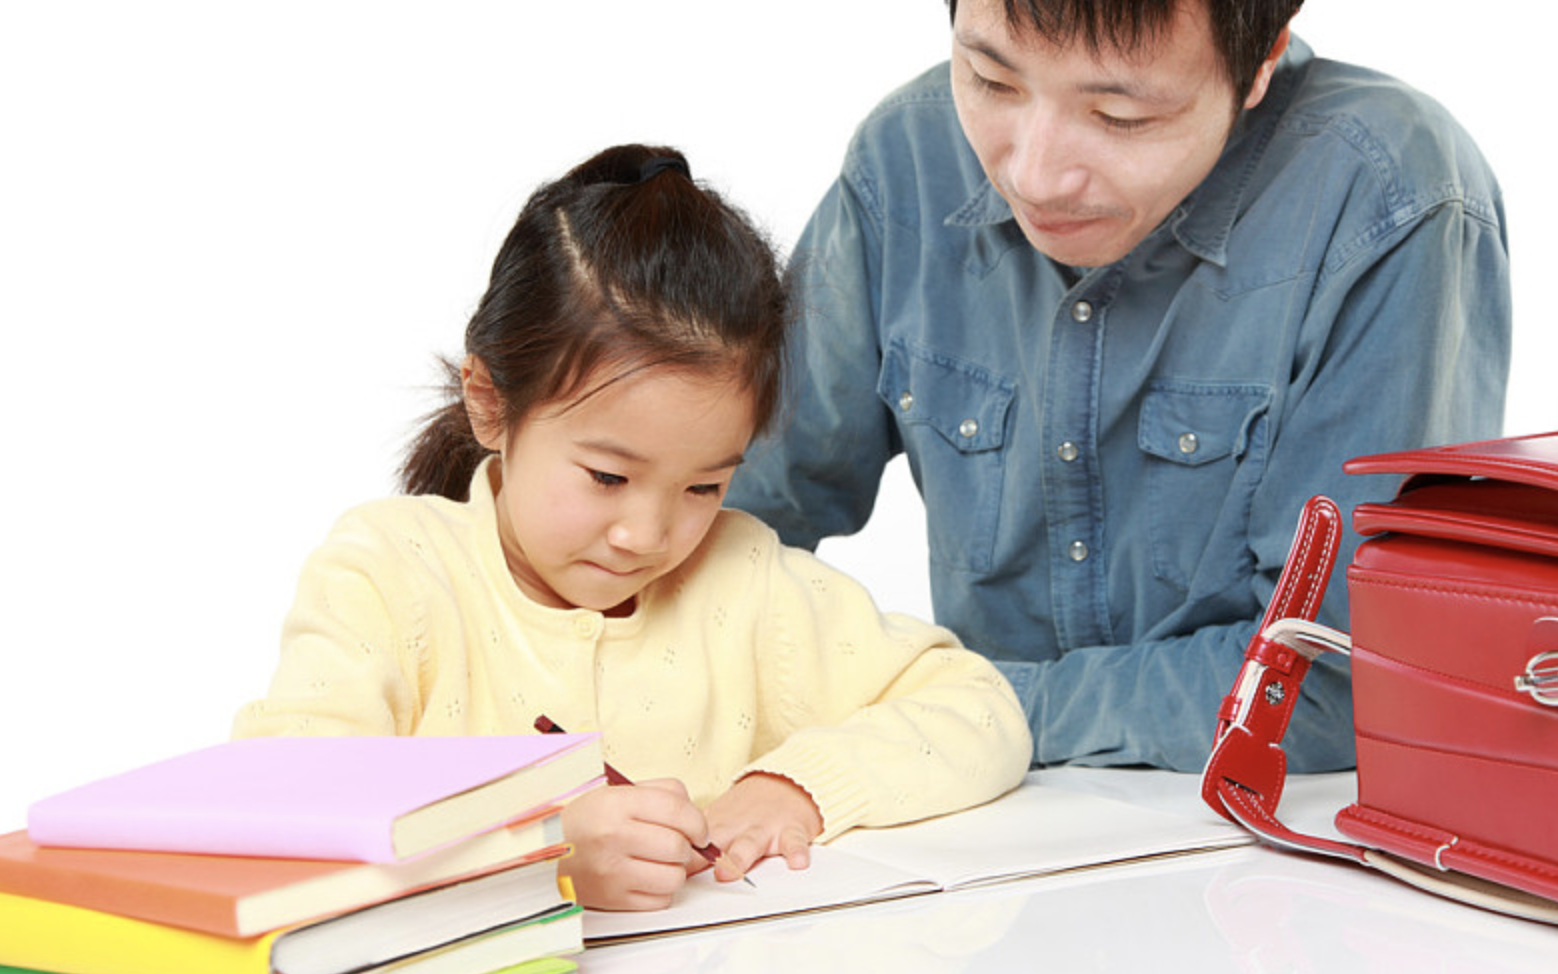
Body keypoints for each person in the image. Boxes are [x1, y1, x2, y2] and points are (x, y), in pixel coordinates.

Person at [232, 144, 1031, 911]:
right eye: (608, 477)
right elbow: (281, 806)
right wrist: (537, 853)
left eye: (704, 485)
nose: (648, 535)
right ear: (490, 403)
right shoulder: (388, 575)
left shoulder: (741, 580)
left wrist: (794, 786)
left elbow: (980, 707)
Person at [725, 0, 1511, 772]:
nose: (1035, 177)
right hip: (969, 812)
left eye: (1121, 116)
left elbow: (1339, 676)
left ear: (1262, 57)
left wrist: (966, 711)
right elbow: (729, 516)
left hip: (1242, 837)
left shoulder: (1388, 193)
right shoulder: (906, 153)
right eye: (992, 80)